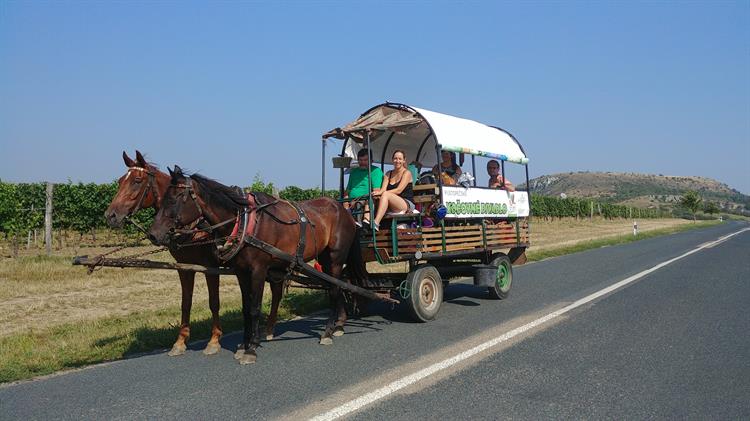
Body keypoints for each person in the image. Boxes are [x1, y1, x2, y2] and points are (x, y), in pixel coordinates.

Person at [365, 150, 414, 231]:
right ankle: (366, 221)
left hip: (406, 203)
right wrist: (376, 193)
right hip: (391, 202)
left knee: (386, 194)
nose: (397, 161)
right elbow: (382, 190)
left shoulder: (407, 173)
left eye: (400, 159)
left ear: (404, 160)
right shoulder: (388, 173)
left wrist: (383, 193)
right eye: (395, 159)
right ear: (392, 160)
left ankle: (376, 223)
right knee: (373, 196)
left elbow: (399, 190)